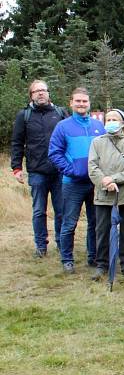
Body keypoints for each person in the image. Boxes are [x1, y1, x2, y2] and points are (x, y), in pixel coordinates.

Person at [48, 88, 105, 273]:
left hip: (95, 183)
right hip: (72, 183)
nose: (81, 104)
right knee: (69, 223)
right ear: (71, 102)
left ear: (89, 103)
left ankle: (93, 256)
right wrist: (70, 170)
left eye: (85, 101)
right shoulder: (63, 126)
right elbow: (54, 153)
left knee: (94, 222)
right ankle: (67, 259)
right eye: (78, 101)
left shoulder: (98, 126)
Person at [11, 79, 66, 258]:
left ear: (49, 93)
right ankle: (41, 246)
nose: (41, 93)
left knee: (61, 210)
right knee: (38, 211)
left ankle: (62, 242)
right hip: (36, 172)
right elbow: (17, 143)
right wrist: (16, 167)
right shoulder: (24, 116)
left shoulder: (60, 113)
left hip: (59, 171)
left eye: (43, 90)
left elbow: (70, 139)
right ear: (31, 95)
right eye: (37, 91)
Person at [87, 109, 124, 281]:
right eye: (108, 119)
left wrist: (115, 179)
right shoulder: (97, 142)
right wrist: (105, 181)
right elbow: (92, 166)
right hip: (103, 194)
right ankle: (102, 264)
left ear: (123, 123)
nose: (111, 121)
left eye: (115, 119)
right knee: (102, 230)